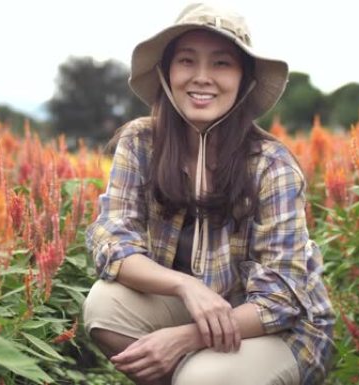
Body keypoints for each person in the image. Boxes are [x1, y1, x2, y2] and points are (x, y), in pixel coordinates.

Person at [83, 3, 334, 385]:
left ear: (243, 79)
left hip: (277, 329)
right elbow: (113, 241)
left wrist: (184, 339)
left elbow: (283, 297)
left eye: (221, 63)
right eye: (187, 61)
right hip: (192, 307)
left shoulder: (271, 164)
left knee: (203, 377)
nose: (202, 78)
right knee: (104, 306)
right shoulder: (140, 142)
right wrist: (186, 286)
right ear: (167, 72)